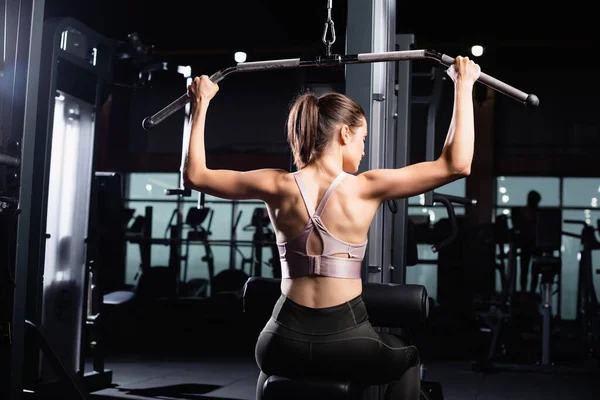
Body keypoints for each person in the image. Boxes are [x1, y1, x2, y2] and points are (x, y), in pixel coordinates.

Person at [183, 56, 481, 400]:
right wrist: (463, 84)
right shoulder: (365, 187)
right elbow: (457, 163)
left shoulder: (276, 185)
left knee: (272, 374)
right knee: (408, 357)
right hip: (346, 343)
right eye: (363, 138)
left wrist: (200, 104)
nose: (364, 149)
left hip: (278, 343)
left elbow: (195, 175)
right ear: (344, 133)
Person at [514, 190, 542, 295]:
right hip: (529, 244)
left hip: (533, 244)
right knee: (526, 270)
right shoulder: (526, 212)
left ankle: (528, 291)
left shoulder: (528, 212)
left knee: (531, 270)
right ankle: (525, 291)